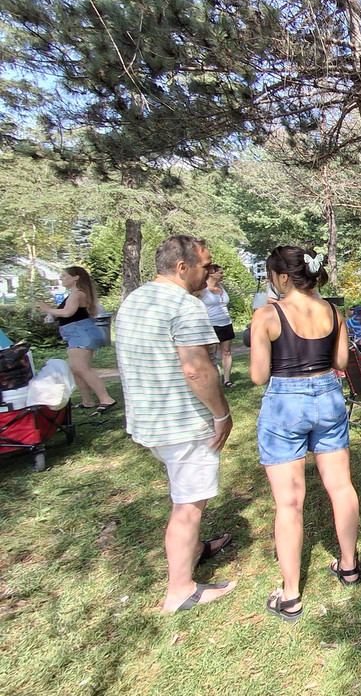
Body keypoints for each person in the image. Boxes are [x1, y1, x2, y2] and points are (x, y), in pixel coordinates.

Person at [113, 236, 235, 613]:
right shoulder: (185, 305)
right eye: (205, 265)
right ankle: (180, 589)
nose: (209, 272)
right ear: (183, 267)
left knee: (182, 490)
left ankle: (194, 548)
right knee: (188, 505)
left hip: (148, 419)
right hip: (182, 423)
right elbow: (197, 370)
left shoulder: (134, 300)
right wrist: (221, 414)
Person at [248, 246, 360, 622]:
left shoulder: (267, 314)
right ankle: (349, 565)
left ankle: (291, 594)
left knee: (289, 503)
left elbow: (258, 376)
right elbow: (341, 362)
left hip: (285, 402)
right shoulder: (333, 312)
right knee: (341, 487)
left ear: (282, 278)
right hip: (328, 396)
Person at [36, 266, 116, 412]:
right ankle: (87, 401)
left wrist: (47, 309)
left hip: (81, 333)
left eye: (64, 276)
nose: (61, 278)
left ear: (76, 277)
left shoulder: (78, 294)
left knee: (81, 368)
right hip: (75, 333)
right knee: (75, 369)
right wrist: (52, 314)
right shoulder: (74, 294)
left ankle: (106, 399)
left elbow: (68, 312)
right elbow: (67, 313)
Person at [199, 264, 236, 388]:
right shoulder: (201, 289)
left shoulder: (222, 286)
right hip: (211, 324)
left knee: (226, 352)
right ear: (211, 273)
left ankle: (227, 380)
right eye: (220, 272)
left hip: (226, 322)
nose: (222, 275)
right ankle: (212, 380)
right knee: (211, 354)